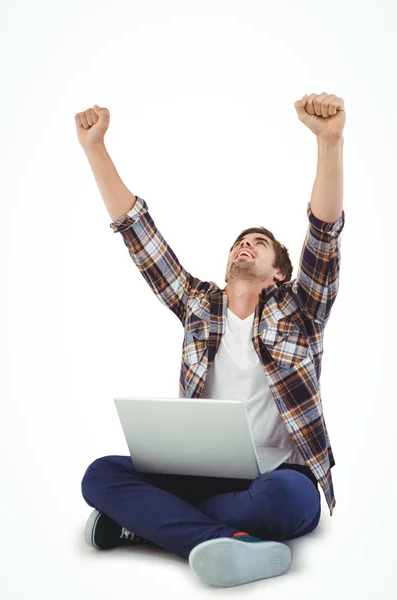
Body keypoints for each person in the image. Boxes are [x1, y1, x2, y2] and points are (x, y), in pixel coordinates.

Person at [74, 99, 345, 588]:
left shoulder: (301, 311)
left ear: (278, 272)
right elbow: (140, 235)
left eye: (259, 243)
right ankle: (233, 542)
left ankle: (152, 525)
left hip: (279, 477)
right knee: (99, 476)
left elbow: (324, 236)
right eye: (240, 242)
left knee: (285, 503)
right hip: (202, 471)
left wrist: (329, 142)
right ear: (226, 268)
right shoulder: (199, 305)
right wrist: (96, 148)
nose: (246, 244)